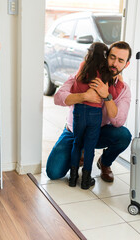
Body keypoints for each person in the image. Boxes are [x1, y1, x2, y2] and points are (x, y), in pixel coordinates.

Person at [46, 41, 132, 184]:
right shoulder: (84, 74)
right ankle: (80, 153)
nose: (114, 63)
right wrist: (84, 96)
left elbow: (118, 121)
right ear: (106, 57)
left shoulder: (123, 89)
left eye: (120, 60)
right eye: (112, 57)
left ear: (126, 65)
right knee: (53, 172)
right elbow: (58, 98)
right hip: (73, 131)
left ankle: (104, 162)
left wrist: (107, 96)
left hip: (99, 131)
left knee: (123, 135)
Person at [69, 42, 113, 189]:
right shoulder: (106, 73)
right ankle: (86, 180)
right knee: (89, 147)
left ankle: (73, 178)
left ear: (90, 53)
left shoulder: (84, 66)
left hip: (79, 110)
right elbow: (107, 92)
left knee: (77, 143)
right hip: (95, 113)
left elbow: (75, 88)